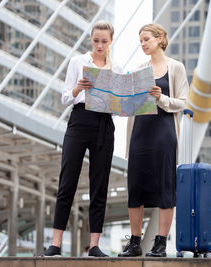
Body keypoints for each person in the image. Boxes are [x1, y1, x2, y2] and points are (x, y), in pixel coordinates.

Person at [40, 20, 121, 257]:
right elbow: (65, 98)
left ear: (110, 42)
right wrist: (78, 88)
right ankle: (55, 243)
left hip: (104, 122)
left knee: (99, 185)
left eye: (104, 41)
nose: (99, 45)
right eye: (96, 40)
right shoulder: (78, 62)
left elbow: (118, 107)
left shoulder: (116, 69)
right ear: (91, 39)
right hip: (79, 119)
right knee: (67, 181)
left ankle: (94, 245)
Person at [118, 23, 189, 257]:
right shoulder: (138, 69)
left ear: (160, 39)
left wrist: (162, 98)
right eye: (140, 40)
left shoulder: (176, 67)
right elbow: (130, 104)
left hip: (164, 132)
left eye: (146, 39)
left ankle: (160, 243)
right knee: (135, 186)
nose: (143, 43)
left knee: (165, 187)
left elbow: (183, 102)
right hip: (140, 132)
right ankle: (135, 242)